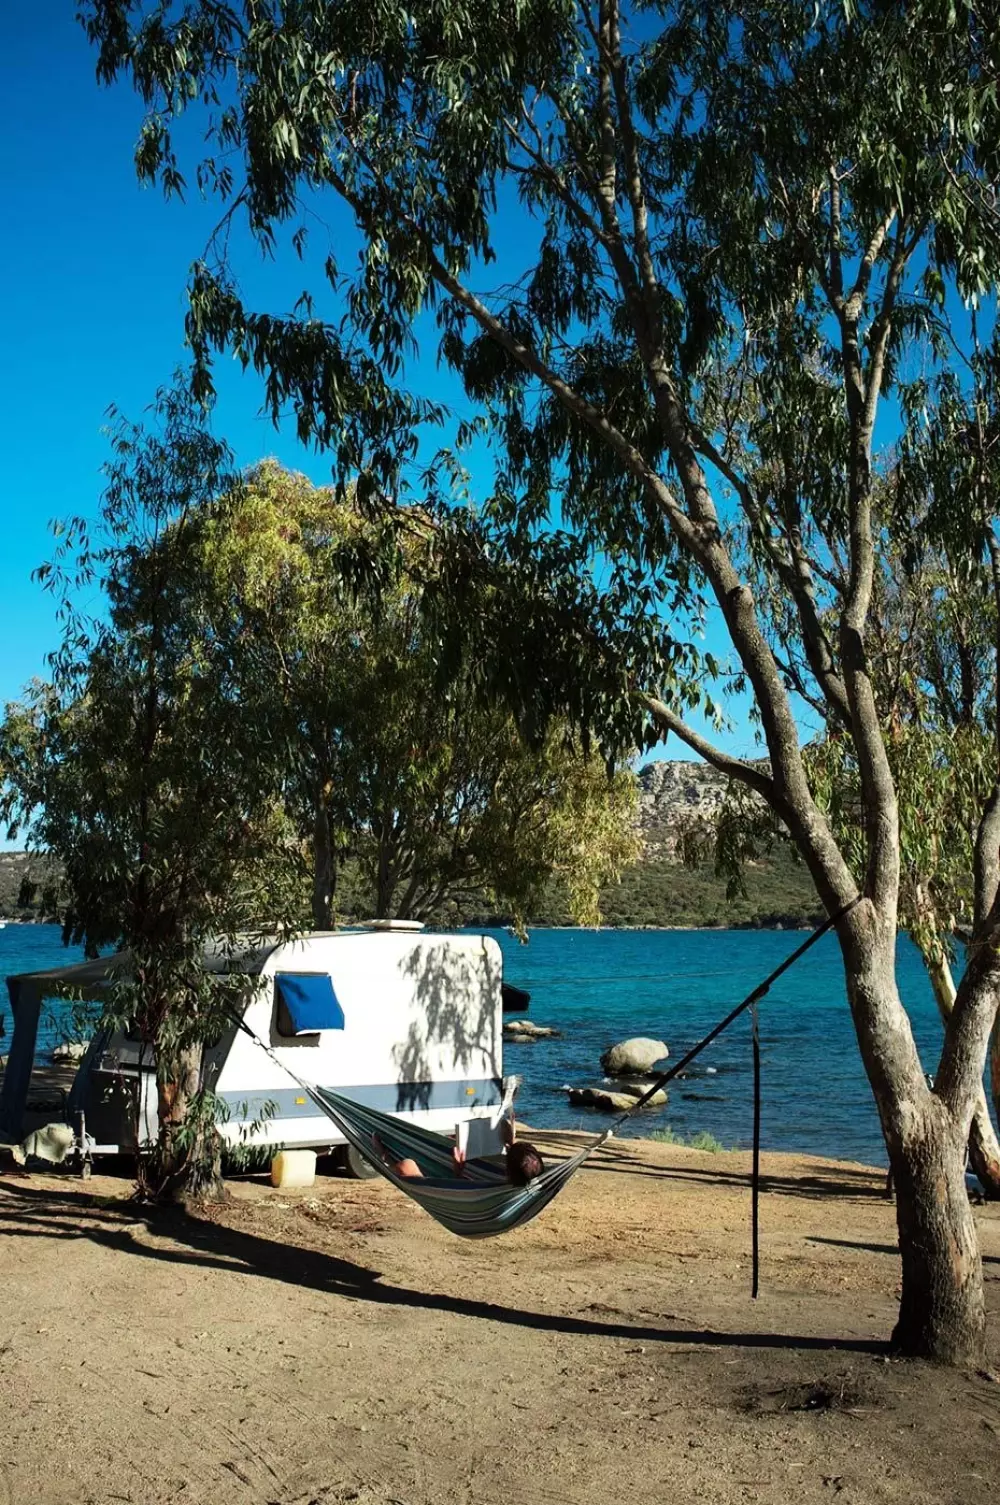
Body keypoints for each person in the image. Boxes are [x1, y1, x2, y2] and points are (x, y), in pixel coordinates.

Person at [370, 1112, 544, 1186]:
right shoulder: (529, 1183)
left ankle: (384, 1157)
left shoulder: (495, 1190)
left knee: (406, 1166)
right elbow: (522, 1165)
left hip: (445, 1199)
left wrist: (458, 1171)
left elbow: (463, 1192)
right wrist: (511, 1143)